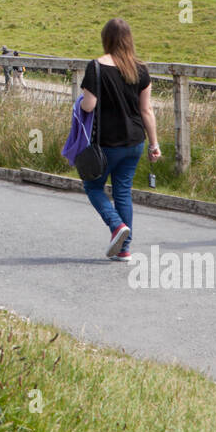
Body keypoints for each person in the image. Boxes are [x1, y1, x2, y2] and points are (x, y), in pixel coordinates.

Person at [78, 18, 162, 261]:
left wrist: (80, 102)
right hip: (135, 141)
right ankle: (124, 249)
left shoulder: (96, 67)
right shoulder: (141, 69)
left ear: (106, 39)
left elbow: (88, 105)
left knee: (93, 186)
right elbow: (146, 110)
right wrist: (154, 144)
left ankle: (116, 226)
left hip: (107, 142)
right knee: (123, 191)